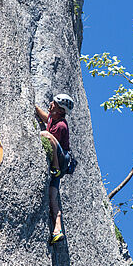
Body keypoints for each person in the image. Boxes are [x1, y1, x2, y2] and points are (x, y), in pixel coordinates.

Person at [35, 93, 74, 244]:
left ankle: (55, 168)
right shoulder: (54, 118)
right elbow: (46, 118)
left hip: (62, 160)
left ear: (60, 110)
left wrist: (56, 166)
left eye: (54, 103)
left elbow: (50, 137)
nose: (50, 104)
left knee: (45, 134)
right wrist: (34, 107)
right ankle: (57, 230)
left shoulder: (61, 125)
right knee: (52, 196)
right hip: (59, 161)